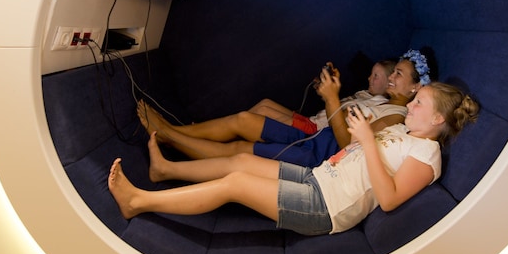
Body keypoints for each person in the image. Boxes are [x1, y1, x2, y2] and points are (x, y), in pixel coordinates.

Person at [108, 82, 479, 235]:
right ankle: (166, 169)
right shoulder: (404, 131)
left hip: (328, 207)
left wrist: (367, 142)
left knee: (235, 183)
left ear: (438, 119)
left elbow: (390, 199)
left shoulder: (427, 153)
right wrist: (358, 139)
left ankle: (137, 202)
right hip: (319, 178)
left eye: (419, 103)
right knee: (240, 162)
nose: (410, 105)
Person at [137, 50, 434, 166]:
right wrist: (331, 93)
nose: (391, 77)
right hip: (317, 137)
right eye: (393, 72)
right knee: (244, 119)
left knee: (240, 150)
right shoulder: (380, 101)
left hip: (320, 152)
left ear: (415, 88)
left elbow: (348, 145)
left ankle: (169, 136)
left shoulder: (397, 116)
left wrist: (332, 99)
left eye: (398, 74)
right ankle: (173, 132)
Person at [249, 59, 397, 135]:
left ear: (389, 83)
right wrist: (326, 89)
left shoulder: (378, 104)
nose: (369, 78)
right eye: (371, 74)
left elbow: (340, 118)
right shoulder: (363, 94)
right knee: (265, 104)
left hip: (316, 130)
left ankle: (240, 129)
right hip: (313, 120)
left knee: (261, 115)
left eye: (375, 76)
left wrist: (331, 96)